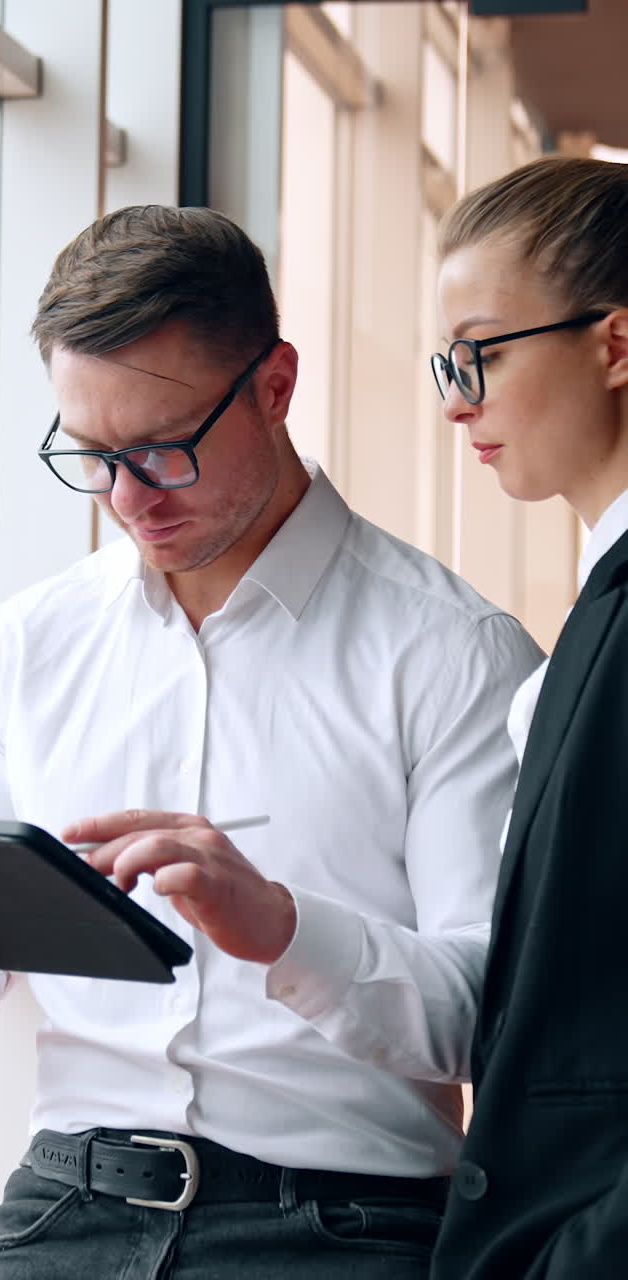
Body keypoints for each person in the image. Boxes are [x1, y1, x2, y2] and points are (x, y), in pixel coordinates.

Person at [0, 204, 541, 1279]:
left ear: (276, 386)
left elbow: (496, 1017)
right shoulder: (26, 647)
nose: (126, 496)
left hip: (345, 1229)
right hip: (65, 1208)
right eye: (91, 453)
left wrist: (286, 928)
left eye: (160, 449)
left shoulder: (454, 653)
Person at [428, 154, 628, 1280]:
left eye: (483, 353)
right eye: (447, 364)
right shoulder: (593, 610)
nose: (459, 400)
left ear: (614, 342)